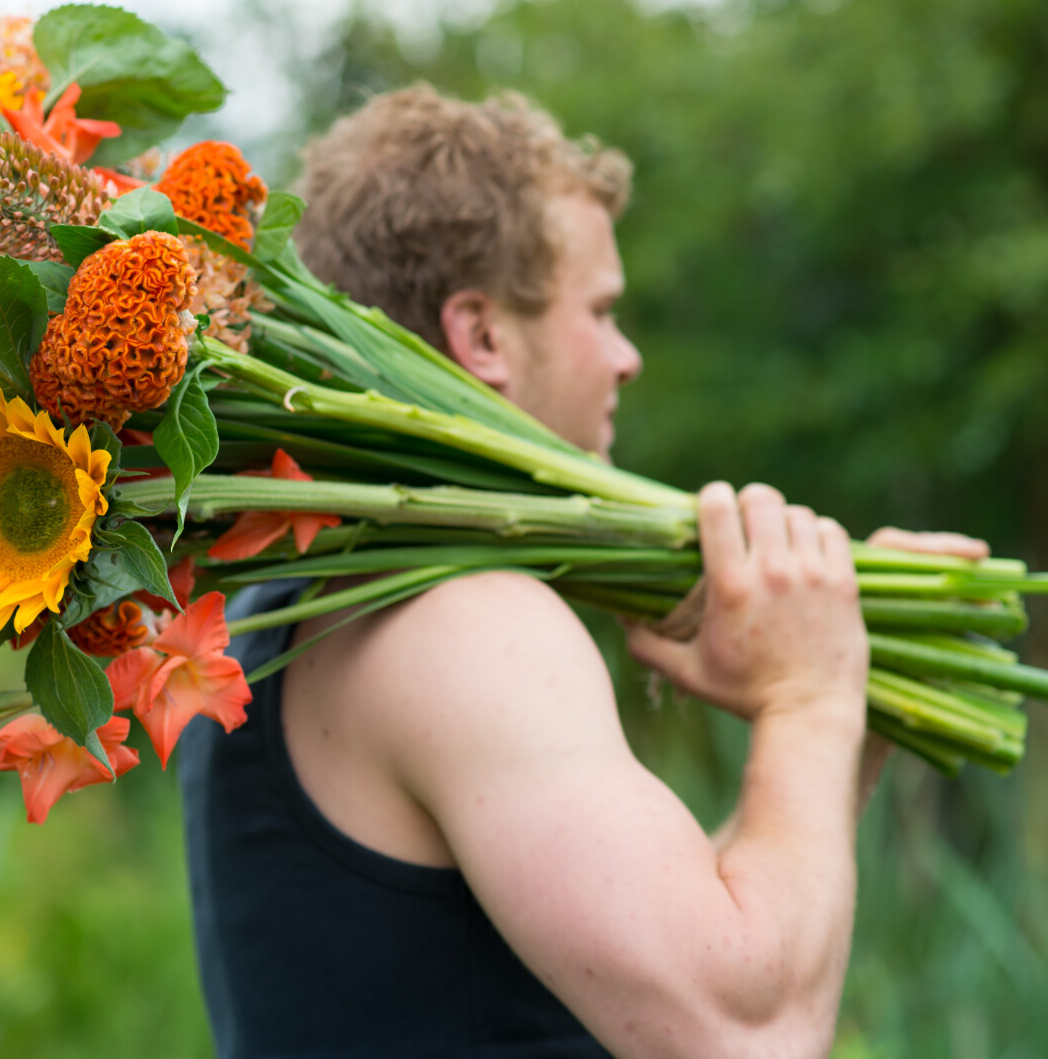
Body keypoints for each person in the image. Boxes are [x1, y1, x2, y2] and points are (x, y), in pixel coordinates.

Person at [179, 85, 988, 1059]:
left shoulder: (272, 611)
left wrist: (841, 720)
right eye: (601, 310)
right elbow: (746, 1032)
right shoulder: (464, 622)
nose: (626, 356)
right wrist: (807, 700)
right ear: (483, 336)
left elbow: (644, 966)